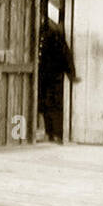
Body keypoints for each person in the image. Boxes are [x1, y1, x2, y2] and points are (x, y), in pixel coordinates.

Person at [37, 8, 79, 143]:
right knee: (43, 104)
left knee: (54, 105)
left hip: (54, 76)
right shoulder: (39, 32)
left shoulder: (54, 34)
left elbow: (65, 54)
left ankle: (58, 134)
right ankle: (49, 132)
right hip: (42, 75)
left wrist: (71, 73)